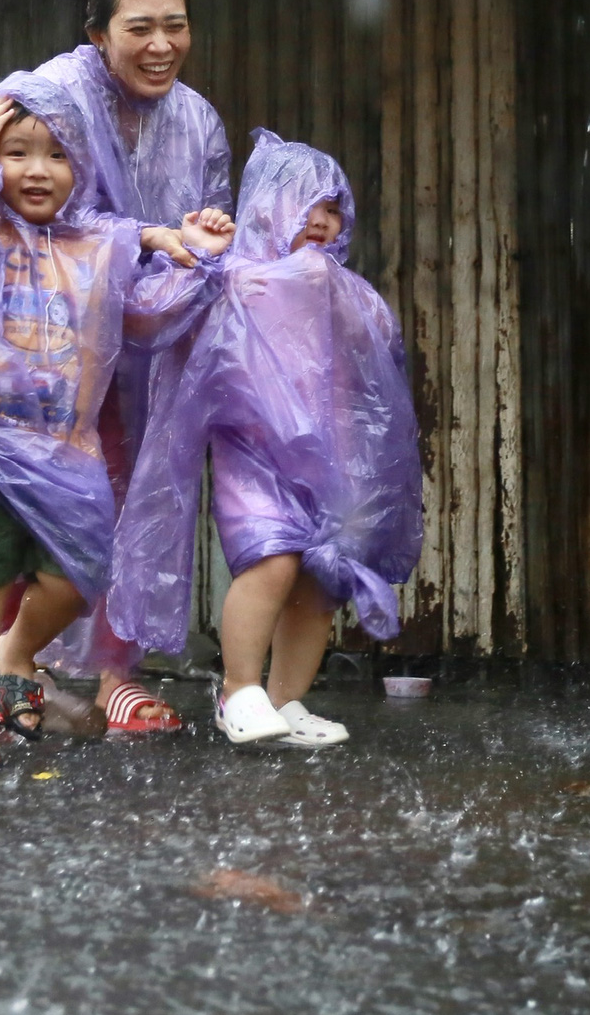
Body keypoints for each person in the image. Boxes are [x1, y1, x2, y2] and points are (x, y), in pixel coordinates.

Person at [0, 72, 230, 768]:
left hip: (66, 450)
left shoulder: (101, 242)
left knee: (79, 575)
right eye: (17, 152)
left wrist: (196, 259)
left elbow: (147, 312)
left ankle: (17, 653)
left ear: (83, 165)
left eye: (58, 153)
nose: (38, 170)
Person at [109, 131, 424, 747]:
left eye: (335, 209)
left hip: (333, 460)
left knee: (322, 580)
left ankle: (288, 700)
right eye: (310, 204)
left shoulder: (349, 292)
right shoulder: (233, 276)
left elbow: (378, 379)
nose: (324, 221)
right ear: (267, 206)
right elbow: (149, 315)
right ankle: (240, 691)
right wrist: (199, 256)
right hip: (252, 452)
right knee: (271, 559)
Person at [31, 0, 233, 735]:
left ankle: (106, 671)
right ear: (97, 35)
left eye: (175, 26)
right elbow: (24, 214)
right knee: (57, 503)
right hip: (51, 345)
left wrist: (208, 237)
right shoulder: (53, 99)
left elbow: (211, 226)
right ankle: (32, 667)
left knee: (138, 500)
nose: (161, 45)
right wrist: (141, 236)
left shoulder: (199, 120)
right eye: (139, 28)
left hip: (150, 346)